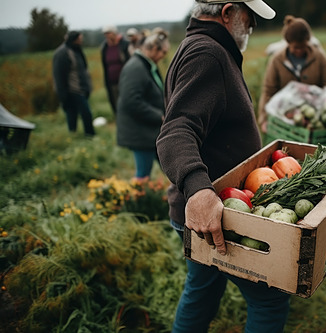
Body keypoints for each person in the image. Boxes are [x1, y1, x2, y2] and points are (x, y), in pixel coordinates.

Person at [156, 1, 291, 332]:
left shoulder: (203, 46)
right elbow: (175, 131)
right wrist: (199, 189)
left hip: (211, 214)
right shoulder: (208, 54)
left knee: (202, 291)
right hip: (215, 214)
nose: (253, 25)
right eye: (250, 16)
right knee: (269, 299)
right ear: (228, 12)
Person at [257, 15, 326, 133]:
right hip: (284, 117)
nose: (299, 51)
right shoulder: (277, 60)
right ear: (287, 43)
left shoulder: (319, 58)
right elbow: (268, 90)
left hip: (313, 119)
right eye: (295, 47)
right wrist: (263, 119)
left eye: (302, 47)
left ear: (308, 41)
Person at [116, 31, 170, 181]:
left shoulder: (146, 65)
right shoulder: (135, 68)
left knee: (168, 167)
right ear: (153, 49)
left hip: (149, 130)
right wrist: (158, 115)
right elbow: (131, 100)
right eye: (163, 52)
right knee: (143, 173)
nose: (163, 56)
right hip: (140, 131)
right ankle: (137, 201)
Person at [52, 31, 95, 137]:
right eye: (80, 39)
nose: (81, 41)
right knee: (82, 113)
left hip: (81, 87)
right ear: (74, 39)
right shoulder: (62, 53)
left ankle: (75, 134)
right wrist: (63, 94)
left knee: (75, 113)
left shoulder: (77, 50)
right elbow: (59, 75)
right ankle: (87, 135)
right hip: (72, 89)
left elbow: (83, 69)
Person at [100, 25, 130, 115]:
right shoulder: (105, 47)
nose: (107, 36)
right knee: (116, 102)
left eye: (109, 33)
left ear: (114, 33)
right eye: (105, 34)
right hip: (112, 81)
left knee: (127, 101)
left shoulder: (124, 44)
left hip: (124, 79)